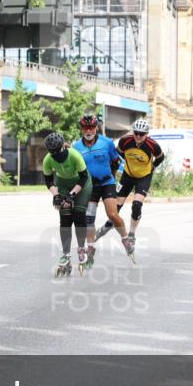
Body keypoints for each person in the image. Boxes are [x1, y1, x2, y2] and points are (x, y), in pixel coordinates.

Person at [94, 118, 163, 259]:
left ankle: (131, 235)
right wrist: (126, 161)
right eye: (136, 133)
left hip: (144, 176)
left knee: (136, 205)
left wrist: (152, 167)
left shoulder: (152, 145)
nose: (138, 137)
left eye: (142, 134)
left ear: (146, 134)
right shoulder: (125, 141)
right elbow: (118, 152)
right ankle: (108, 225)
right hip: (128, 175)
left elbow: (161, 157)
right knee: (116, 207)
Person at [73, 112, 129, 270]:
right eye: (85, 128)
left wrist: (115, 175)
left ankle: (125, 238)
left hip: (107, 183)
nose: (88, 131)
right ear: (81, 129)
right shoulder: (76, 147)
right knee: (89, 218)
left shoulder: (107, 143)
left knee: (112, 214)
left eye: (91, 127)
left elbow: (118, 161)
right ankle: (90, 247)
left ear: (96, 128)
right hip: (90, 186)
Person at [43, 132, 92, 277]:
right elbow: (48, 181)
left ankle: (81, 248)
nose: (57, 156)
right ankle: (66, 254)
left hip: (82, 184)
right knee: (65, 218)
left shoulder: (74, 155)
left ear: (63, 146)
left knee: (78, 214)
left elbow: (83, 178)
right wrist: (56, 195)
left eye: (58, 152)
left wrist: (72, 195)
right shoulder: (48, 160)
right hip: (63, 184)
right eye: (53, 154)